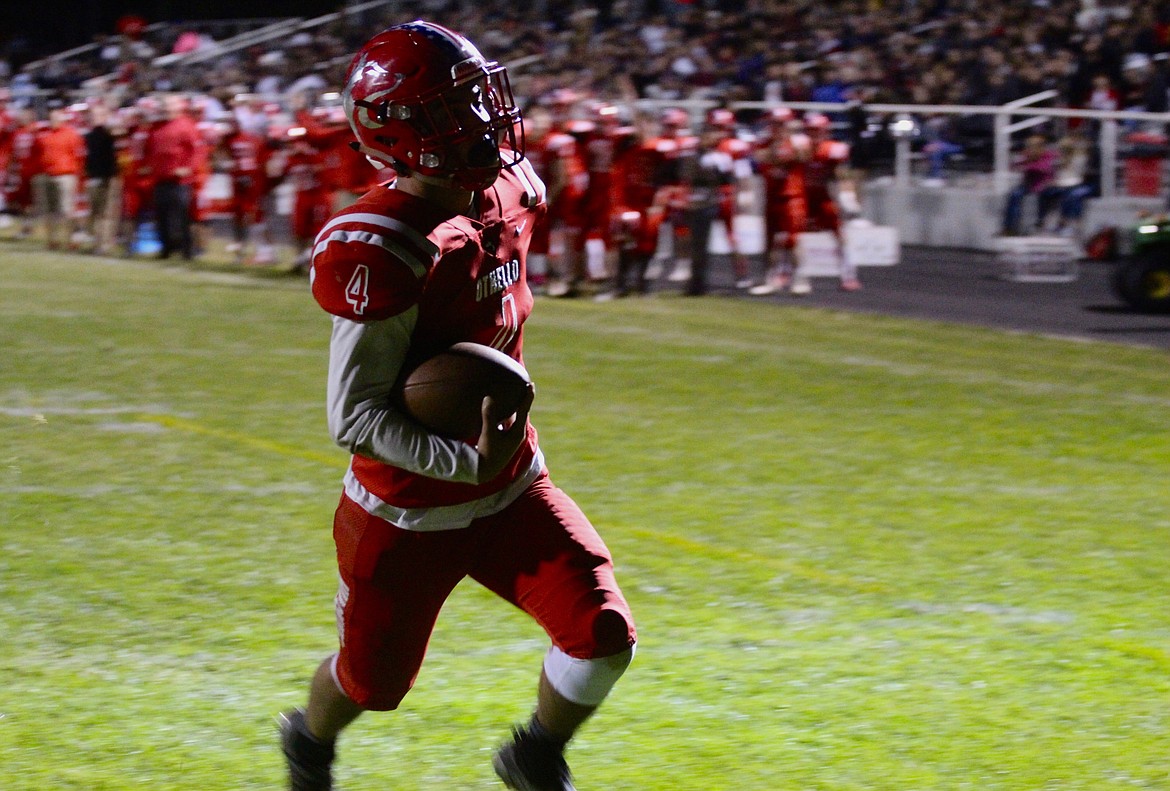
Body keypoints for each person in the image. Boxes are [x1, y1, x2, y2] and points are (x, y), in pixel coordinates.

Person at [280, 21, 637, 791]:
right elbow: (355, 416)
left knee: (602, 631)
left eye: (478, 96)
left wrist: (492, 459)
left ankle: (535, 755)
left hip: (513, 486)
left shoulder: (511, 189)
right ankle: (308, 740)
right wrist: (466, 456)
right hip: (405, 509)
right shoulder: (385, 242)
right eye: (452, 107)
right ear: (403, 131)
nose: (483, 117)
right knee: (371, 686)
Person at [145, 94, 199, 259]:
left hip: (179, 180)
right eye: (164, 105)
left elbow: (196, 151)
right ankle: (166, 248)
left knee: (180, 216)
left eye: (169, 105)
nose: (165, 108)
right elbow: (150, 150)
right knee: (162, 215)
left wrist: (188, 168)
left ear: (178, 106)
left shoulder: (186, 125)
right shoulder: (157, 127)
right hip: (160, 178)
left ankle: (186, 250)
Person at [32, 107, 86, 250]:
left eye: (57, 118)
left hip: (65, 175)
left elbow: (79, 157)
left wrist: (77, 176)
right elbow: (36, 154)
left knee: (66, 210)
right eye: (52, 118)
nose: (54, 121)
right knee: (48, 211)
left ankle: (71, 240)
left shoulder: (71, 135)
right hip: (46, 175)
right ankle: (52, 240)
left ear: (63, 119)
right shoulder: (43, 134)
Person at [83, 104, 121, 255]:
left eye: (98, 115)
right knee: (95, 212)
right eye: (92, 115)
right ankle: (97, 242)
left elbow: (118, 131)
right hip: (93, 177)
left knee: (106, 212)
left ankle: (104, 244)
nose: (94, 118)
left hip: (108, 177)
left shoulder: (109, 134)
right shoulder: (88, 136)